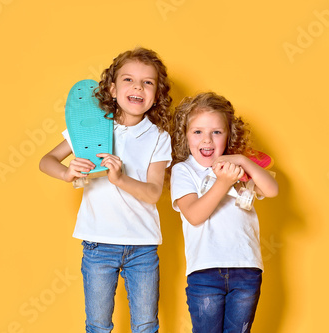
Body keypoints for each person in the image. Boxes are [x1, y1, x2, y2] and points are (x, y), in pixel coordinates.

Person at [39, 47, 172, 333]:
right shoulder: (91, 127)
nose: (138, 86)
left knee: (147, 325)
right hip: (98, 244)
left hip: (143, 246)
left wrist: (120, 179)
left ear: (157, 93)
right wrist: (66, 172)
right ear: (112, 89)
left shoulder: (159, 137)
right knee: (98, 326)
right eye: (128, 80)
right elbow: (45, 161)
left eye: (148, 82)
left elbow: (153, 193)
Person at [169, 92, 279, 332]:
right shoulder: (184, 170)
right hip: (205, 271)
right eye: (197, 132)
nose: (207, 140)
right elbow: (195, 215)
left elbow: (271, 190)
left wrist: (241, 159)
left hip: (246, 268)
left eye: (216, 132)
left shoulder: (238, 167)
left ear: (229, 135)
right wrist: (223, 182)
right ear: (185, 136)